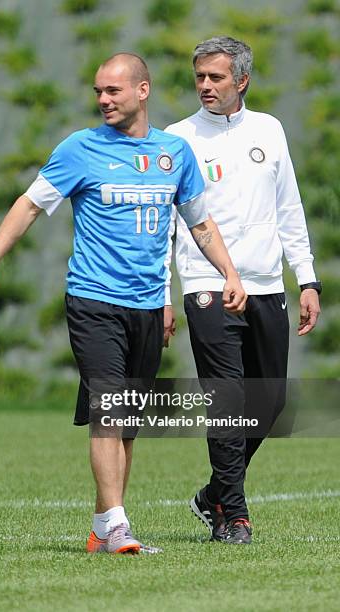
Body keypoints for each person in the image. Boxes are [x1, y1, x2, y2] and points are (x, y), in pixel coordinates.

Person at [0, 52, 246, 555]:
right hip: (94, 299)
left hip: (146, 306)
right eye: (98, 91)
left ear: (143, 90)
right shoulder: (79, 149)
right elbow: (30, 204)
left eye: (113, 91)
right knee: (109, 413)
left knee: (128, 423)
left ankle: (103, 526)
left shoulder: (174, 154)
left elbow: (199, 222)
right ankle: (118, 526)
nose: (103, 100)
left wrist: (228, 272)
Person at [164, 36, 321, 544]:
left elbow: (289, 209)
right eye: (200, 77)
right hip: (208, 285)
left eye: (216, 77)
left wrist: (307, 276)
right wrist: (164, 295)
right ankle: (233, 515)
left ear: (242, 80)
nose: (205, 86)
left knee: (270, 400)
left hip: (266, 284)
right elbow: (166, 226)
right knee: (228, 398)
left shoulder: (269, 131)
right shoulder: (177, 138)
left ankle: (213, 493)